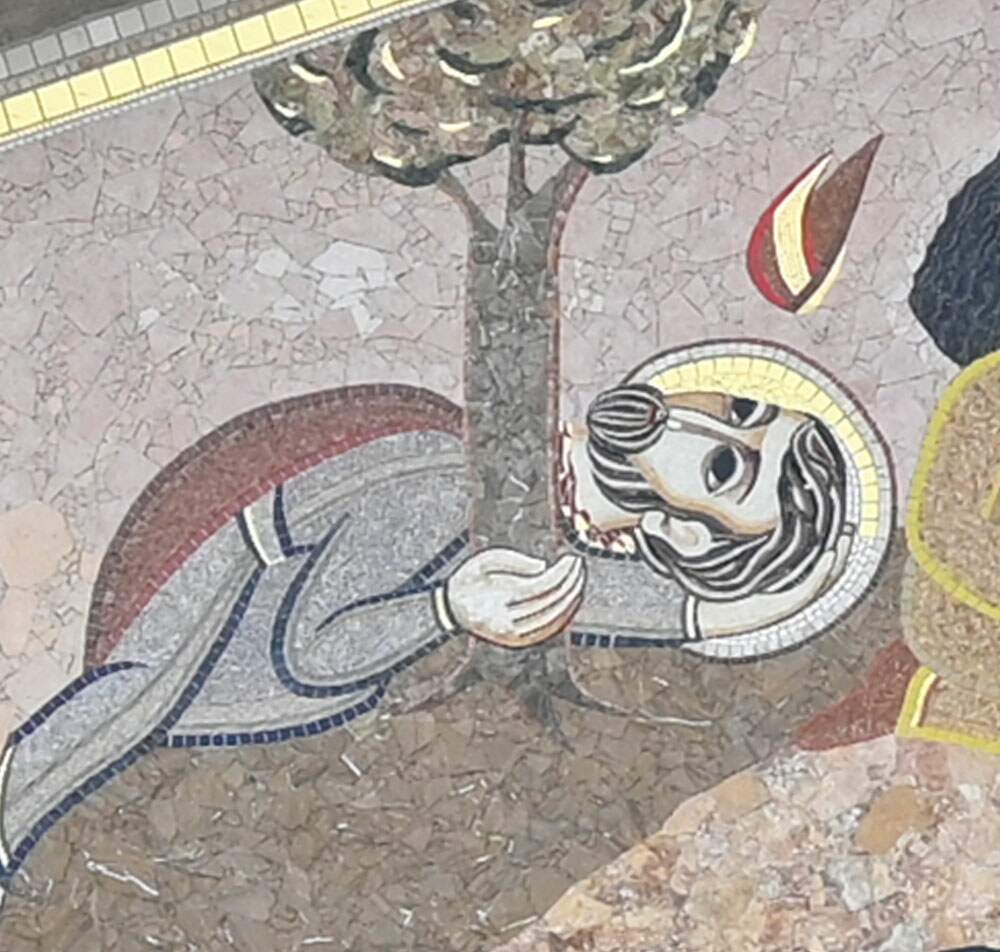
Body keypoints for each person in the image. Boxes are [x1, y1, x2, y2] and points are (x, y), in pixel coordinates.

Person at [0, 339, 891, 898]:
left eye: (725, 470)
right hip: (199, 643)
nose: (697, 430)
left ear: (681, 534)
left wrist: (819, 569)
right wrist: (448, 607)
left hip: (231, 689)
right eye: (743, 411)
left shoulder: (510, 518)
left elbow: (673, 608)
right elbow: (311, 653)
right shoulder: (450, 482)